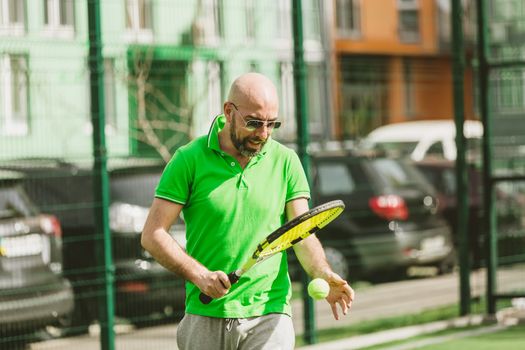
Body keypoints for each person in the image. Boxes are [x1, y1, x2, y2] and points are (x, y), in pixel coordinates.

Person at [141, 72, 354, 350]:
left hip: (269, 313)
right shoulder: (188, 160)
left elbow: (301, 233)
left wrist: (323, 273)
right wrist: (200, 276)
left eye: (271, 124)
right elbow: (153, 235)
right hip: (205, 314)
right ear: (229, 111)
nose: (263, 134)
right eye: (253, 123)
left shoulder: (286, 162)